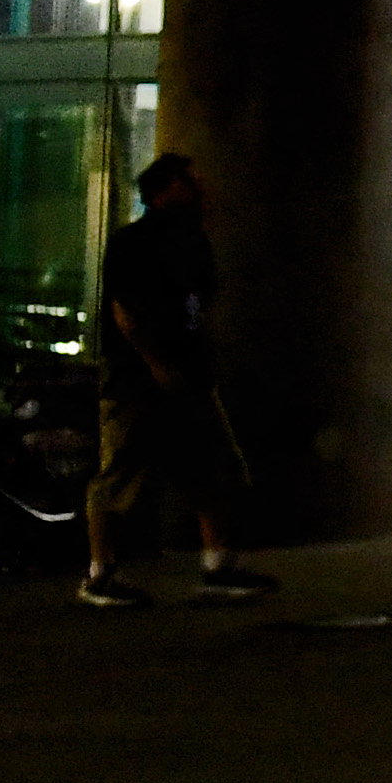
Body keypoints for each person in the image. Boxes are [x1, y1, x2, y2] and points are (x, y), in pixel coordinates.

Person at [80, 154, 270, 609]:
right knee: (121, 471)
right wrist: (156, 362)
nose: (202, 189)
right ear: (165, 190)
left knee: (216, 465)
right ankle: (101, 573)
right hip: (136, 375)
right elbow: (126, 311)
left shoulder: (193, 240)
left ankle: (217, 565)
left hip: (186, 371)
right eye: (191, 181)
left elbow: (199, 302)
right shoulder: (134, 242)